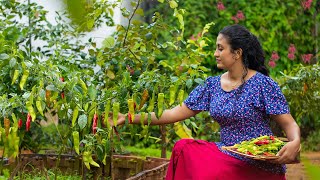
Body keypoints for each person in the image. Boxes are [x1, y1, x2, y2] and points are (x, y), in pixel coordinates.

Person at [109, 24, 301, 180]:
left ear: (237, 53)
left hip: (258, 163)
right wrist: (126, 117)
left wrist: (295, 142)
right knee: (182, 148)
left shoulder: (262, 84)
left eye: (220, 48)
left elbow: (289, 123)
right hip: (227, 155)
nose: (215, 54)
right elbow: (174, 113)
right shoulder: (212, 85)